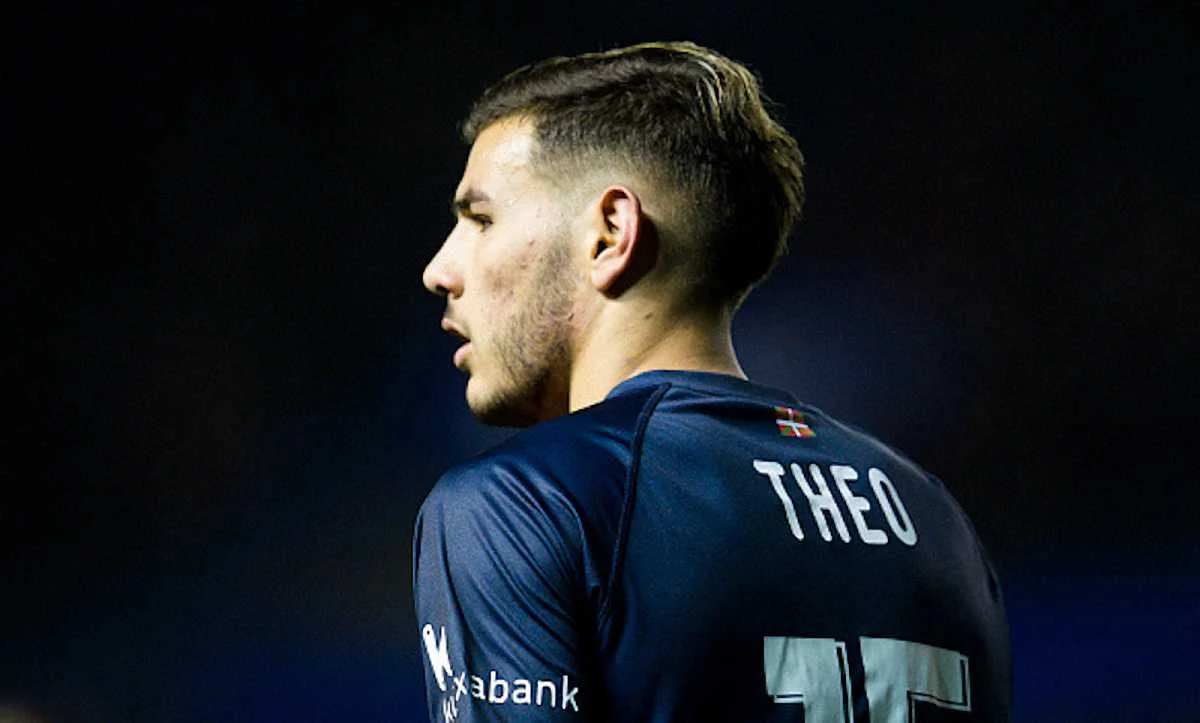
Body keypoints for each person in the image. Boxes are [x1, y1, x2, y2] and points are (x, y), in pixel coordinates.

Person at [413, 41, 1010, 722]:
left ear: (610, 234)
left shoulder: (524, 504)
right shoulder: (937, 521)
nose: (439, 269)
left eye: (481, 220)